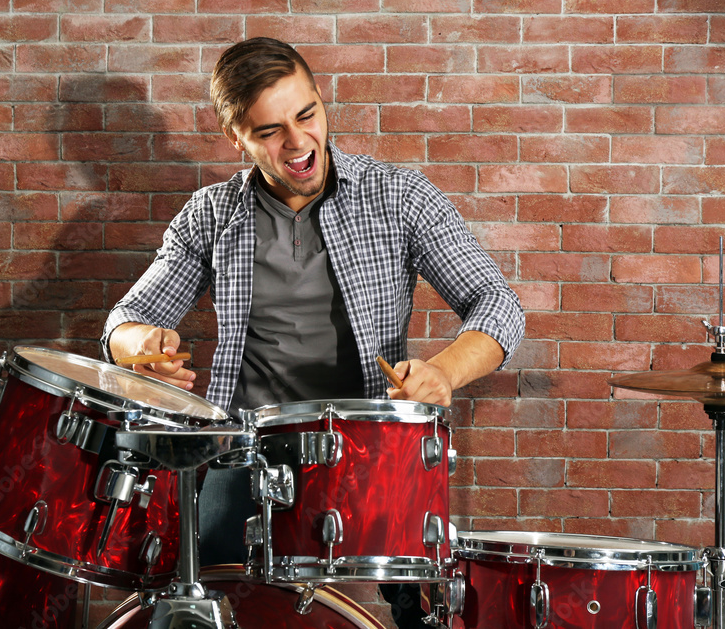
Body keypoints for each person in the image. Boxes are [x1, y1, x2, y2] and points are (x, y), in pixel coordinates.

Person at [101, 37, 524, 628]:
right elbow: (125, 319)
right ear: (238, 139)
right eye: (270, 131)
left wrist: (444, 371)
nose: (298, 143)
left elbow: (498, 303)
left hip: (372, 458)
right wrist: (140, 347)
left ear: (322, 105)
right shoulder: (211, 214)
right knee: (208, 599)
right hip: (244, 454)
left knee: (425, 615)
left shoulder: (399, 196)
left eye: (307, 115)